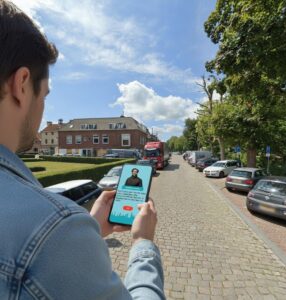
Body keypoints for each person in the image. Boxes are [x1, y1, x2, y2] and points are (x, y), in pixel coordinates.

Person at [0, 1, 165, 299]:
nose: (43, 107)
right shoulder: (52, 228)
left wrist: (91, 228)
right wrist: (143, 244)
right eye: (45, 95)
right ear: (22, 85)